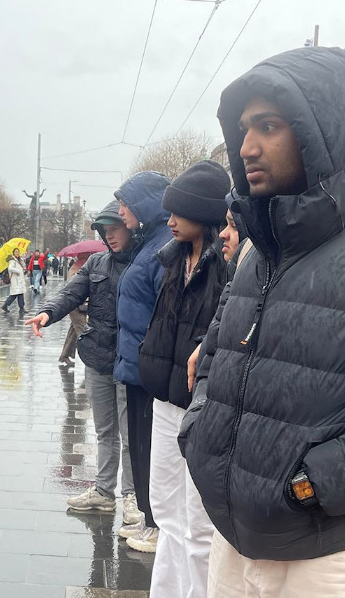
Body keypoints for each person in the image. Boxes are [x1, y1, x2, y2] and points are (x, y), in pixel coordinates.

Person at [180, 47, 345, 597]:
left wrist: (311, 485)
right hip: (234, 540)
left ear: (325, 133)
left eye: (269, 126)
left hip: (324, 554)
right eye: (243, 129)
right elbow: (215, 353)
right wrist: (199, 430)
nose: (246, 147)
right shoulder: (259, 248)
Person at [136, 161, 229, 596]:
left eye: (180, 211)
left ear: (204, 213)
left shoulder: (225, 264)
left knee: (198, 522)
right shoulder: (174, 259)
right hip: (165, 399)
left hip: (201, 407)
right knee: (164, 509)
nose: (170, 220)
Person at [26, 200, 140, 525]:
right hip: (97, 357)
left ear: (131, 228)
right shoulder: (96, 263)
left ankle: (132, 495)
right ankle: (104, 492)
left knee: (131, 434)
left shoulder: (145, 262)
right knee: (104, 431)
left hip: (131, 361)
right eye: (105, 231)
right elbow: (70, 293)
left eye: (115, 228)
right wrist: (47, 313)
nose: (109, 235)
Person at [113, 170, 172, 551]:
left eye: (125, 204)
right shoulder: (150, 242)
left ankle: (156, 523)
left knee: (150, 448)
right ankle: (149, 517)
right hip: (136, 365)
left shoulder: (163, 245)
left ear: (144, 204)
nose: (120, 212)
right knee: (139, 447)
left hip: (148, 367)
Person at [1, 249, 27, 313]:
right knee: (15, 294)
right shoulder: (13, 261)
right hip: (15, 280)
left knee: (19, 293)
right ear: (13, 253)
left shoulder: (19, 260)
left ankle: (21, 308)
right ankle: (6, 305)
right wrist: (17, 271)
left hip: (19, 280)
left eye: (18, 252)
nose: (17, 253)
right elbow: (10, 268)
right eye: (16, 252)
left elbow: (22, 267)